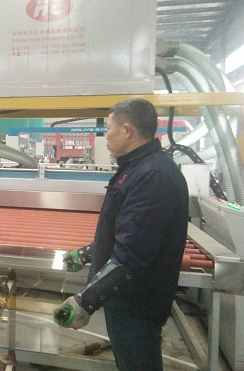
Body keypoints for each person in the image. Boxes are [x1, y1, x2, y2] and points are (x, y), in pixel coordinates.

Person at [55, 98, 189, 371]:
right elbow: (126, 233)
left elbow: (132, 255)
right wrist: (86, 254)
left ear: (127, 130)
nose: (105, 136)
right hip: (126, 302)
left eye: (108, 129)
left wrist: (85, 302)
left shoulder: (152, 176)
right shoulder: (138, 168)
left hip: (137, 306)